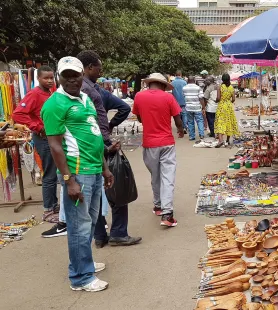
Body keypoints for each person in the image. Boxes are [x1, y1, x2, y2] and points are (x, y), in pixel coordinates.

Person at [41, 56, 114, 292]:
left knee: (91, 221)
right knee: (78, 226)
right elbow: (55, 145)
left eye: (76, 75)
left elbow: (94, 135)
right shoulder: (54, 104)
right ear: (59, 77)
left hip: (93, 169)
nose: (72, 80)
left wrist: (104, 168)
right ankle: (81, 277)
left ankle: (86, 263)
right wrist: (68, 180)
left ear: (83, 75)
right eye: (67, 76)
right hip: (77, 173)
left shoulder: (85, 99)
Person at [76, 50, 141, 248]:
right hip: (98, 143)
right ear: (89, 68)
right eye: (98, 68)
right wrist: (105, 140)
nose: (100, 71)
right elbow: (89, 123)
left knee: (99, 190)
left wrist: (108, 128)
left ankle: (100, 235)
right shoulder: (87, 90)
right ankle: (118, 233)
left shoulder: (90, 88)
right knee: (116, 186)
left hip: (96, 143)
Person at [13, 66, 67, 237]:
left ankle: (54, 204)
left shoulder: (52, 93)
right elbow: (18, 114)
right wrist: (37, 127)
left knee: (55, 171)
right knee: (50, 173)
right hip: (43, 138)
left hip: (53, 136)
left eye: (52, 78)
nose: (50, 81)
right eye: (46, 78)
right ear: (39, 79)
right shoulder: (35, 94)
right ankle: (48, 209)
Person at [133, 73, 184, 227]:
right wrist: (181, 130)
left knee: (155, 175)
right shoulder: (168, 98)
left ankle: (158, 206)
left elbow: (140, 118)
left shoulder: (139, 97)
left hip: (149, 143)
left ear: (149, 84)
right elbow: (177, 118)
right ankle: (167, 214)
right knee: (167, 177)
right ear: (162, 85)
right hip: (167, 142)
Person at [214, 73, 239, 148]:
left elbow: (218, 98)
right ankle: (228, 140)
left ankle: (221, 140)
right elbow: (233, 99)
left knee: (220, 122)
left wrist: (216, 100)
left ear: (222, 80)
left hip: (221, 106)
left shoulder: (220, 87)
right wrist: (229, 102)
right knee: (229, 122)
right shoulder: (231, 88)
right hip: (229, 106)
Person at [183, 76, 205, 141]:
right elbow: (201, 98)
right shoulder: (198, 88)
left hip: (188, 107)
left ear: (187, 81)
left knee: (190, 122)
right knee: (200, 121)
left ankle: (191, 136)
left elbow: (184, 96)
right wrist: (203, 107)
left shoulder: (184, 88)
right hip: (197, 107)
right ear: (194, 81)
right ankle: (201, 134)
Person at [171, 70, 188, 135]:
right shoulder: (184, 82)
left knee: (177, 115)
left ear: (175, 75)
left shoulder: (172, 83)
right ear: (181, 74)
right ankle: (184, 127)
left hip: (175, 102)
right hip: (183, 101)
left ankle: (179, 128)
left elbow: (171, 93)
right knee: (184, 115)